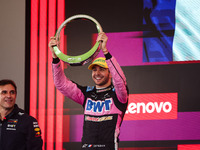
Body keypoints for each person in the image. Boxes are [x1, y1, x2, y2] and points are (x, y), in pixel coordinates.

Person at [49, 32, 129, 150]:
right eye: (94, 70)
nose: (97, 73)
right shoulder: (86, 94)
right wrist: (55, 57)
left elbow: (120, 80)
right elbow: (60, 84)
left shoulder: (118, 95)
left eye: (102, 69)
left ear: (110, 73)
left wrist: (105, 51)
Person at [0, 79, 43, 150]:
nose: (9, 96)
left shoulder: (28, 121)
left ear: (15, 95)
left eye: (12, 92)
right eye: (4, 92)